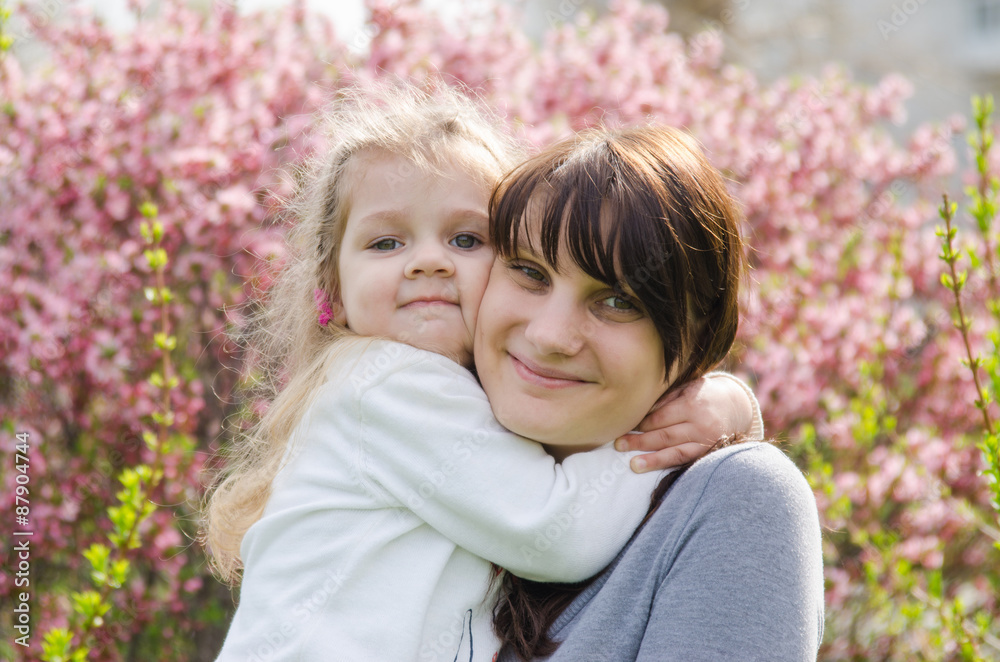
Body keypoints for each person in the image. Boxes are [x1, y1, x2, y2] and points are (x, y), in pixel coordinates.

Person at [203, 83, 764, 662]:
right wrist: (686, 429)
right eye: (386, 241)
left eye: (466, 239)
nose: (427, 260)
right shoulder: (386, 382)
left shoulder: (457, 401)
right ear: (334, 291)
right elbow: (556, 530)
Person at [480, 126, 826, 661]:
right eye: (529, 273)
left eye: (617, 301)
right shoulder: (404, 444)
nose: (549, 336)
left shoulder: (732, 503)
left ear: (693, 340)